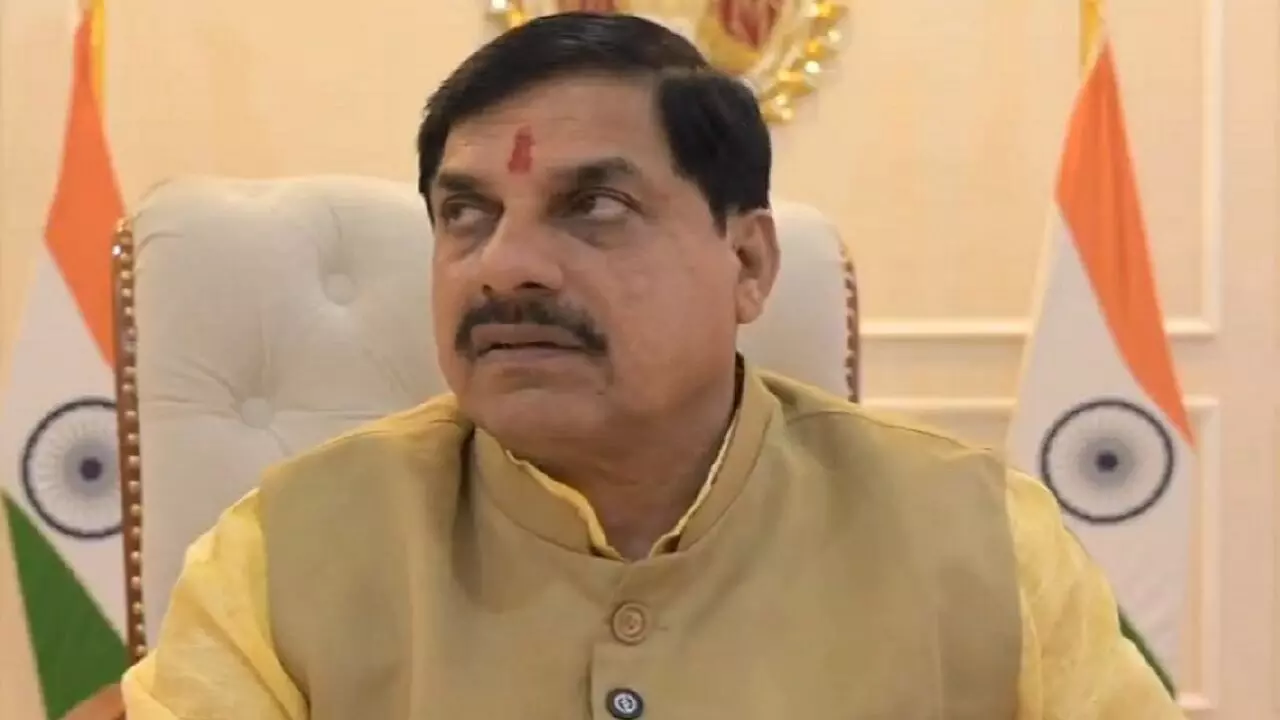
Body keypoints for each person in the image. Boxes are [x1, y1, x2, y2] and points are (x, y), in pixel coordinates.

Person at [121, 12, 1186, 719]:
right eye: (466, 214)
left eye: (593, 205)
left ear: (747, 263)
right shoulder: (286, 552)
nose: (504, 265)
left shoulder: (981, 543)